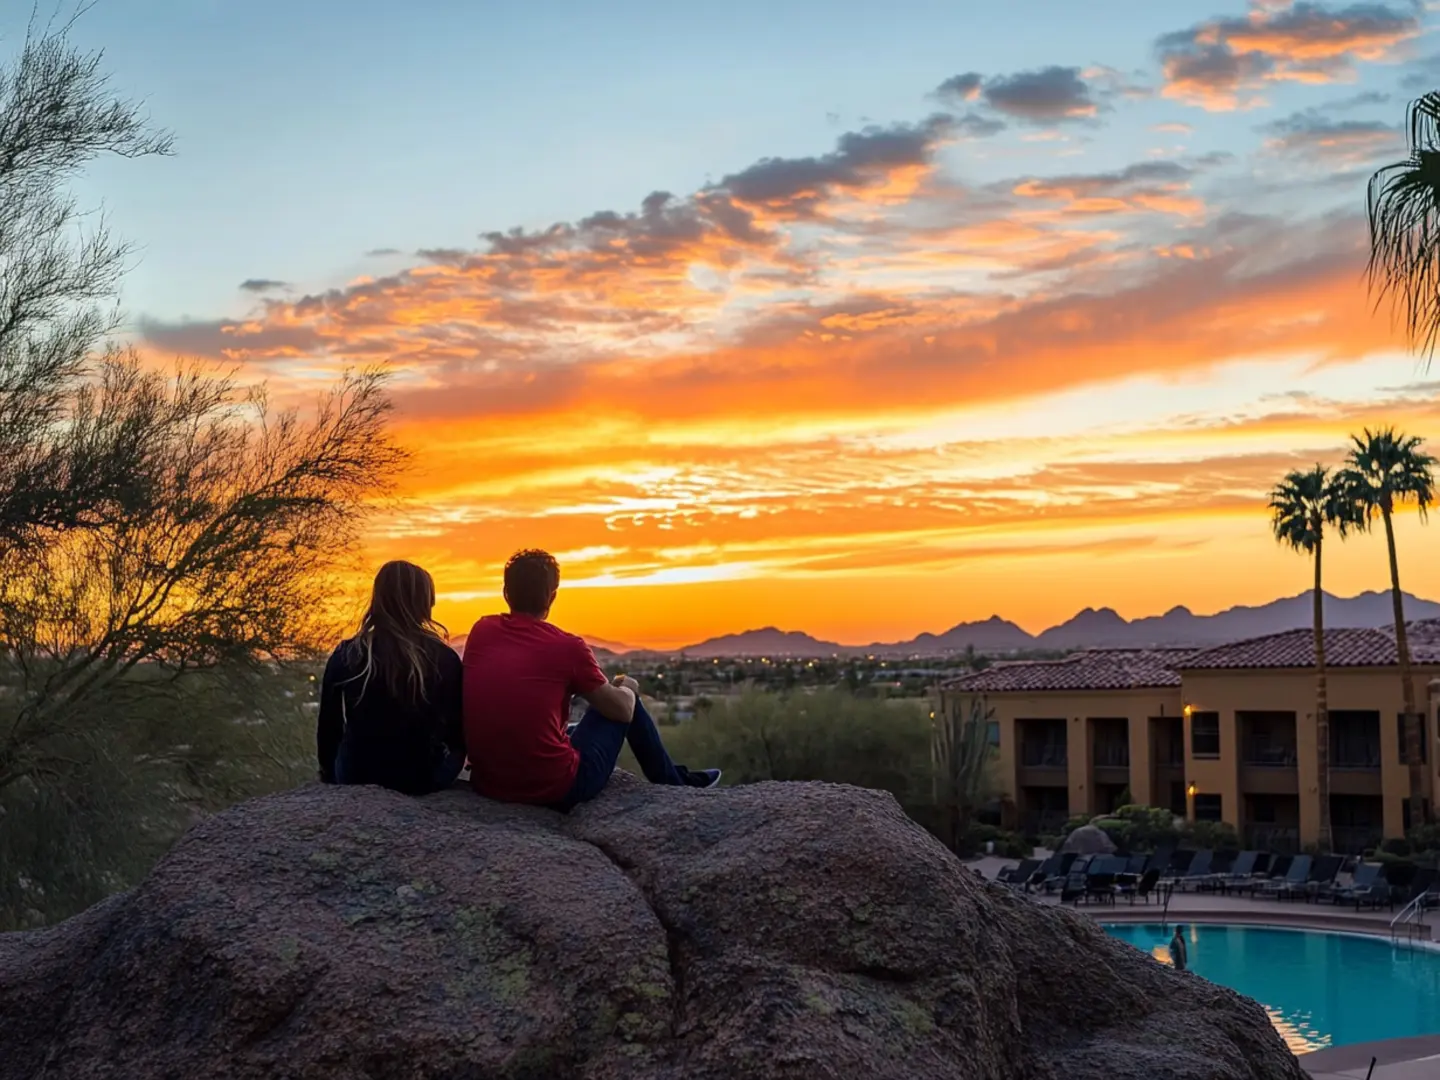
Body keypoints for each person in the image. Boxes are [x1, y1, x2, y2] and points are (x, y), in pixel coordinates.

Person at [462, 548, 720, 810]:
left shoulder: (482, 631)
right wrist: (629, 688)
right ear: (552, 597)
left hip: (490, 784)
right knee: (626, 702)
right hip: (556, 789)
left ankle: (677, 778)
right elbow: (621, 712)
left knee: (572, 729)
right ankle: (675, 784)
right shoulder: (567, 647)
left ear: (506, 592)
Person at [317, 560, 467, 795]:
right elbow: (456, 732)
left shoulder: (348, 654)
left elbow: (329, 728)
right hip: (423, 778)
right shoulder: (443, 658)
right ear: (424, 604)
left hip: (356, 774)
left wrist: (330, 775)